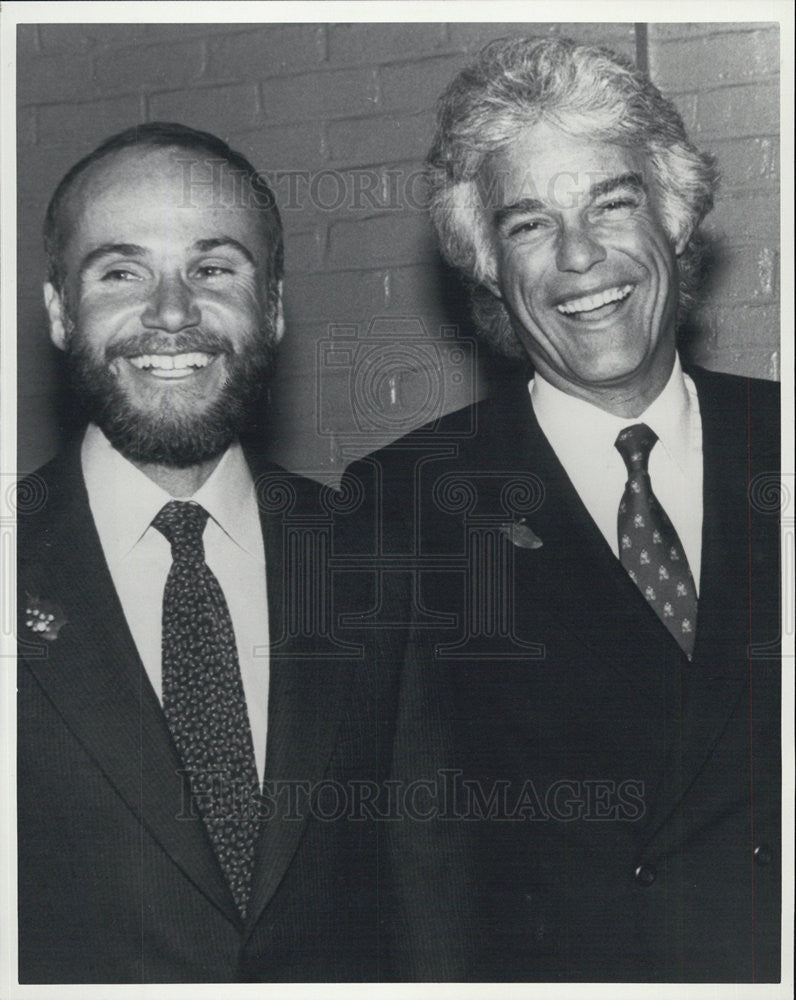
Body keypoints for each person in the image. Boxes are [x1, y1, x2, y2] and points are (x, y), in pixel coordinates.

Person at [349, 36, 781, 982]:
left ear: (676, 221)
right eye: (530, 225)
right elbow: (409, 861)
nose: (581, 258)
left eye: (611, 204)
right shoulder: (402, 506)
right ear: (487, 270)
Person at [17, 122, 431, 983]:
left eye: (213, 269)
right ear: (59, 310)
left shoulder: (385, 564)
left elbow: (436, 894)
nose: (172, 312)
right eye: (122, 271)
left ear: (272, 308)